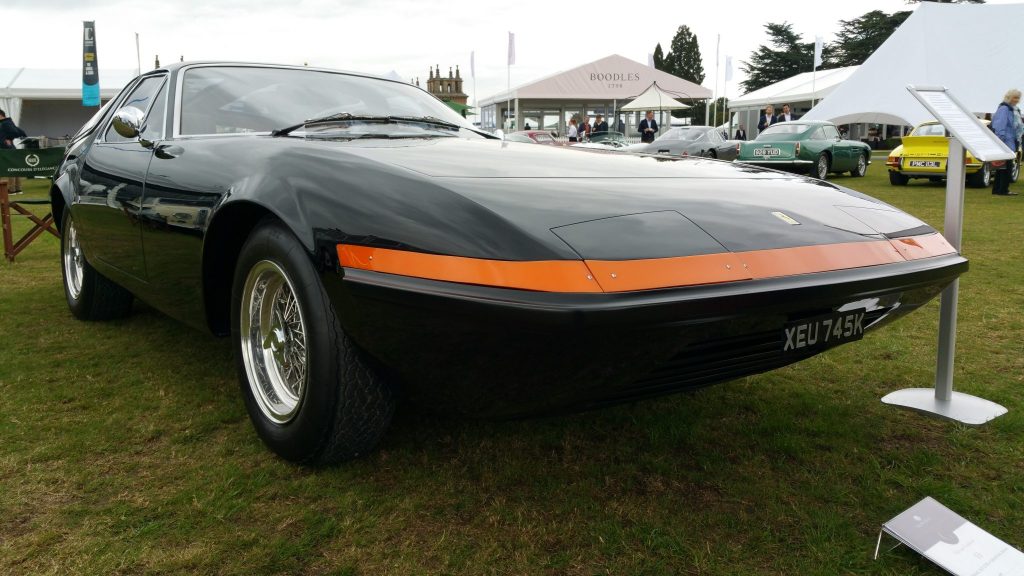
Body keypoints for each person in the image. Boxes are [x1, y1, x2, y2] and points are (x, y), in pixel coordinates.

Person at [991, 88, 1022, 196]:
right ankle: (1003, 190)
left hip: (1011, 141)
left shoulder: (1014, 109)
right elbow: (999, 125)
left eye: (1018, 98)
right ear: (1009, 97)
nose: (1017, 100)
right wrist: (1001, 141)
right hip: (1005, 142)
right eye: (1015, 97)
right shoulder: (1004, 109)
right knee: (1005, 167)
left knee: (1002, 167)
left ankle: (998, 189)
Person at [0, 109, 27, 194]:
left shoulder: (5, 123)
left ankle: (11, 189)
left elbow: (16, 132)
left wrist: (8, 139)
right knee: (14, 168)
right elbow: (21, 132)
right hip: (10, 149)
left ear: (1, 115)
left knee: (10, 169)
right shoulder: (8, 122)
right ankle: (17, 188)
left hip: (6, 149)